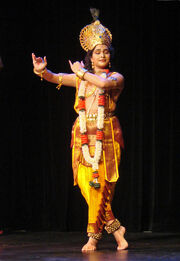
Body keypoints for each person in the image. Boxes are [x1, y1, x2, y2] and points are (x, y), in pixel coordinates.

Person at [32, 9, 128, 252]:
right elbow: (58, 78)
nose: (103, 55)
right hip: (82, 135)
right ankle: (116, 229)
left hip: (106, 135)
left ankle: (93, 237)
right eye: (98, 52)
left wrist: (82, 73)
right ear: (90, 56)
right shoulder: (81, 79)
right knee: (88, 186)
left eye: (106, 51)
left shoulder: (116, 77)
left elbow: (104, 84)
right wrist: (43, 71)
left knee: (102, 186)